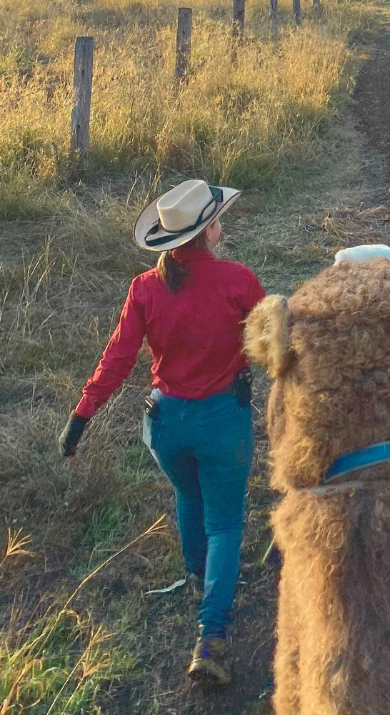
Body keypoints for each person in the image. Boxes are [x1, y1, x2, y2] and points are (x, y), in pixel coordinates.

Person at [58, 179, 265, 688]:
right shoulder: (239, 281)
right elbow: (275, 343)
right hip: (222, 423)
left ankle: (198, 577)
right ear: (208, 231)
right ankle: (211, 637)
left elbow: (117, 358)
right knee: (225, 524)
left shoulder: (145, 287)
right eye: (218, 220)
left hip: (167, 424)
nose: (221, 225)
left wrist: (81, 415)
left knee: (188, 496)